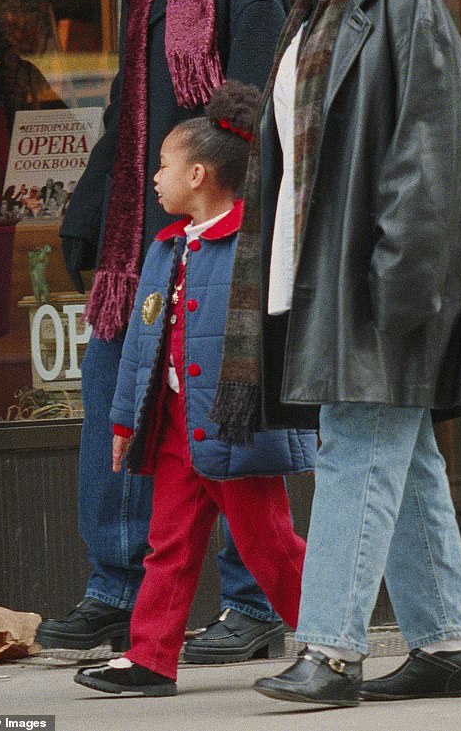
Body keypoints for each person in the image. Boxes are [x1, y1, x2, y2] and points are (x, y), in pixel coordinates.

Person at [208, 0, 461, 708]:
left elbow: (433, 146)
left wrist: (400, 283)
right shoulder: (323, 0)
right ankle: (445, 646)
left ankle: (330, 650)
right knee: (400, 460)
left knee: (356, 450)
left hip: (380, 280)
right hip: (330, 274)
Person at [36, 0, 290, 661]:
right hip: (140, 241)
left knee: (223, 421)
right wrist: (93, 204)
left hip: (214, 237)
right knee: (116, 396)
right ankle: (115, 588)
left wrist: (213, 209)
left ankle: (253, 603)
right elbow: (125, 106)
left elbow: (253, 106)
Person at [73, 83, 316, 696]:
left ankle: (327, 643)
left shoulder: (253, 244)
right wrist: (125, 422)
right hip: (178, 425)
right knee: (168, 544)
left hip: (238, 428)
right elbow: (138, 350)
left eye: (163, 165)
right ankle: (150, 657)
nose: (155, 178)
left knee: (271, 547)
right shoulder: (165, 248)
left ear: (200, 174)